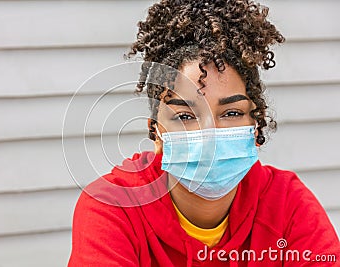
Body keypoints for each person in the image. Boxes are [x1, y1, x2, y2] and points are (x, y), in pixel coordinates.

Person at [67, 0, 340, 266]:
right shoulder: (112, 208)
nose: (209, 132)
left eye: (231, 113)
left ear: (255, 124)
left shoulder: (286, 204)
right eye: (185, 116)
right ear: (156, 134)